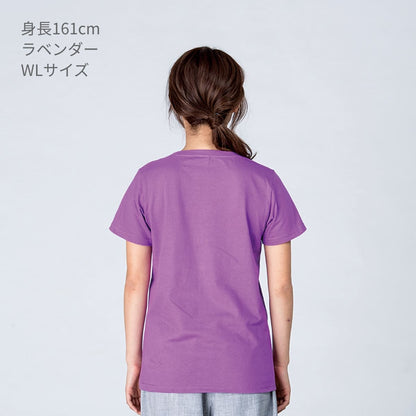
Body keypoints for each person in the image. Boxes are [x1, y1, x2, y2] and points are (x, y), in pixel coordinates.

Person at [109, 46, 307, 416]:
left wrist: (134, 362)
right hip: (245, 366)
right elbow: (280, 286)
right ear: (234, 106)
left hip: (168, 369)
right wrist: (280, 363)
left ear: (175, 105)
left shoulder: (148, 181)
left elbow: (135, 282)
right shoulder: (264, 182)